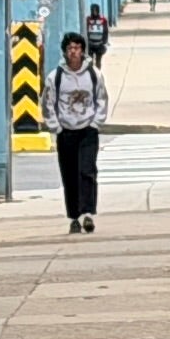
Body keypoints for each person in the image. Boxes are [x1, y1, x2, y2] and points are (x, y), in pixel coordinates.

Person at [43, 29, 107, 233]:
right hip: (66, 132)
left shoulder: (93, 75)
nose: (74, 52)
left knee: (87, 171)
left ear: (83, 51)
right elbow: (48, 103)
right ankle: (74, 216)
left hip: (87, 130)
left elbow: (101, 98)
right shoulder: (55, 77)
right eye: (70, 48)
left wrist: (96, 123)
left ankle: (88, 212)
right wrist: (56, 127)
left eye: (77, 48)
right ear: (64, 51)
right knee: (69, 174)